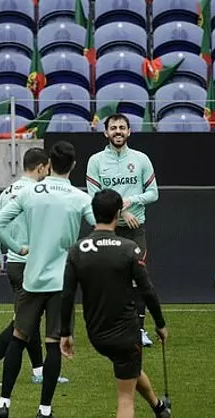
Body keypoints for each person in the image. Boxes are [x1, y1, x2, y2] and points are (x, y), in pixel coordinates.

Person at [60, 188, 171, 418]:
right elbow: (147, 290)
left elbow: (67, 295)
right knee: (125, 395)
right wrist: (159, 323)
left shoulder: (77, 250)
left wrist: (65, 334)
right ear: (119, 213)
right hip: (125, 332)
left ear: (93, 214)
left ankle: (158, 406)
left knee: (130, 369)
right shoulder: (129, 249)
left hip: (97, 335)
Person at [0, 141, 95, 418]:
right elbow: (101, 226)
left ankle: (3, 404)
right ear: (72, 165)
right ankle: (44, 411)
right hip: (62, 281)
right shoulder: (79, 197)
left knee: (18, 339)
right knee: (53, 344)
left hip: (31, 278)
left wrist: (17, 247)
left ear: (49, 165)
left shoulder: (29, 193)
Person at [0, 148, 69, 386]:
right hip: (30, 264)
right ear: (41, 167)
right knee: (23, 321)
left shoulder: (8, 190)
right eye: (47, 168)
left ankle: (39, 371)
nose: (48, 172)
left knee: (29, 318)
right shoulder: (36, 192)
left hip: (16, 265)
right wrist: (20, 247)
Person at [86, 113, 159, 348]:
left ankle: (138, 329)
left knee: (138, 280)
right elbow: (93, 198)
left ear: (129, 132)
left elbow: (153, 193)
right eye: (113, 128)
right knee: (110, 280)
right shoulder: (96, 161)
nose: (118, 131)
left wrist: (130, 201)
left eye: (122, 127)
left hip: (135, 231)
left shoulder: (141, 159)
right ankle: (110, 326)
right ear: (105, 132)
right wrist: (119, 212)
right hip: (108, 231)